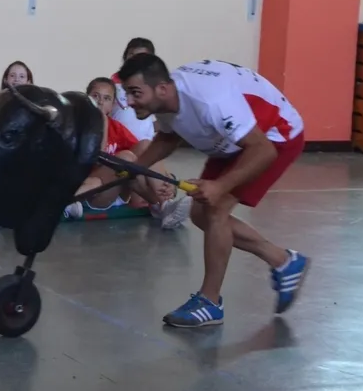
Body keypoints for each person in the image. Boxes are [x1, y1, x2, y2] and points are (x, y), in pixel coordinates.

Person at [118, 54, 310, 328]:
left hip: (273, 137)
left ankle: (210, 302)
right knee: (200, 215)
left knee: (216, 208)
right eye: (127, 93)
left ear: (161, 88)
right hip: (233, 141)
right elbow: (169, 136)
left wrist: (220, 186)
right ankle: (283, 261)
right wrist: (138, 166)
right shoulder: (167, 97)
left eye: (135, 93)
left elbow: (262, 150)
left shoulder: (210, 102)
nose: (129, 101)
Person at [84, 77, 191, 229]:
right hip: (94, 194)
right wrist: (103, 123)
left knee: (145, 146)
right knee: (125, 158)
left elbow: (145, 154)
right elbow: (95, 160)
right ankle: (159, 206)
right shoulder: (80, 126)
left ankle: (164, 204)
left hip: (119, 191)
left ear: (113, 105)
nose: (100, 102)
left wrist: (168, 178)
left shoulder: (117, 127)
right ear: (86, 99)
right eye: (95, 96)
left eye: (106, 98)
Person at [111, 37, 157, 142]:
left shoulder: (154, 84)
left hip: (144, 141)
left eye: (140, 57)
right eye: (131, 55)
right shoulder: (114, 82)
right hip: (119, 141)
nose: (134, 60)